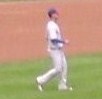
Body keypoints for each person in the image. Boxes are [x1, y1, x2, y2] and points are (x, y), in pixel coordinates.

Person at [36, 8, 72, 91]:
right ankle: (40, 81)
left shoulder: (53, 24)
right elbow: (53, 39)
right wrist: (64, 41)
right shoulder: (51, 26)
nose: (57, 14)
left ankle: (62, 85)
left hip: (59, 49)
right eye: (55, 13)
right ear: (52, 15)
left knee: (64, 67)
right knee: (58, 69)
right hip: (54, 50)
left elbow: (48, 37)